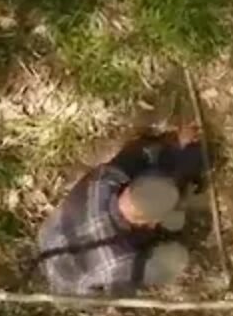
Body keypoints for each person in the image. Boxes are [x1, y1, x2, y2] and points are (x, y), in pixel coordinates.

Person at [36, 124, 206, 296]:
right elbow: (123, 289)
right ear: (151, 222)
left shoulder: (104, 181)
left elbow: (135, 152)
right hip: (73, 287)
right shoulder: (121, 260)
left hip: (49, 242)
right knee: (176, 255)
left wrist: (176, 141)